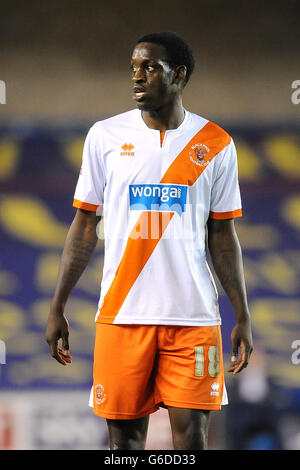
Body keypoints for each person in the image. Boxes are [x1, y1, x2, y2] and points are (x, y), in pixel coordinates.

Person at [46, 31, 253, 450]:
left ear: (179, 74)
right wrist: (58, 306)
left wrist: (242, 314)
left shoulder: (215, 145)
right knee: (124, 445)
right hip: (122, 316)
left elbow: (223, 236)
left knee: (192, 442)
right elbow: (84, 226)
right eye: (134, 68)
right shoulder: (104, 137)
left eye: (150, 68)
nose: (137, 77)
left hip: (193, 319)